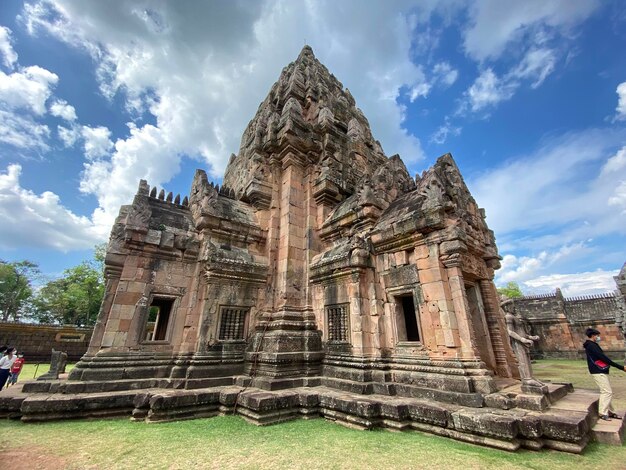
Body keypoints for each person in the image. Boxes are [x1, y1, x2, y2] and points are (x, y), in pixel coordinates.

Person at [584, 328, 625, 421]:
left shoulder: (592, 345)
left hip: (600, 370)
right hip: (597, 371)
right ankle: (602, 413)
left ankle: (610, 411)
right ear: (593, 336)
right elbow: (603, 358)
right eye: (597, 335)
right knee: (606, 392)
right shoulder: (591, 346)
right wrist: (621, 367)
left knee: (607, 391)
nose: (598, 337)